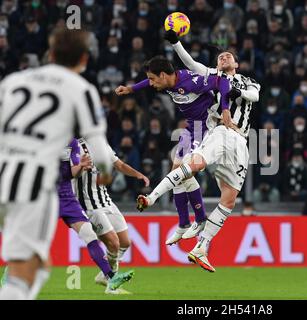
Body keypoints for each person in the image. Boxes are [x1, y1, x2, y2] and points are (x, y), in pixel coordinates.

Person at [0, 28, 117, 300]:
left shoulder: (13, 82)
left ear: (50, 54)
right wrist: (106, 175)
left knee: (37, 266)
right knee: (25, 270)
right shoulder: (80, 89)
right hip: (33, 185)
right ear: (85, 59)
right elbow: (99, 150)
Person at [136, 56, 260, 273]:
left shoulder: (248, 81)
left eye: (228, 55)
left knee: (229, 201)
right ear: (217, 65)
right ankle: (152, 198)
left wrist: (236, 93)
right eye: (220, 57)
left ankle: (201, 247)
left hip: (241, 141)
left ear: (237, 64)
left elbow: (255, 96)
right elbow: (191, 64)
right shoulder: (209, 75)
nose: (223, 56)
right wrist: (175, 43)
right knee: (189, 168)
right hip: (220, 131)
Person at [74, 137, 149, 288]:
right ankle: (112, 281)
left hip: (106, 201)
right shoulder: (74, 146)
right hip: (90, 205)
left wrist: (137, 174)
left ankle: (105, 275)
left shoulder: (102, 143)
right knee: (113, 243)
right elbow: (70, 173)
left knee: (125, 242)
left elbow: (119, 164)